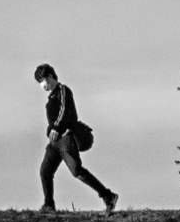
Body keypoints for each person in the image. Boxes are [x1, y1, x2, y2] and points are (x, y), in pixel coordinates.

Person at [34, 62, 118, 211]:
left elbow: (64, 110)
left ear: (50, 76)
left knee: (76, 171)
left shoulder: (63, 90)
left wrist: (56, 128)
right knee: (45, 172)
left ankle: (108, 196)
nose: (41, 85)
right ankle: (49, 205)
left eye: (42, 80)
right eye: (39, 83)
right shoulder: (51, 98)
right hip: (54, 143)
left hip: (66, 138)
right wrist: (51, 131)